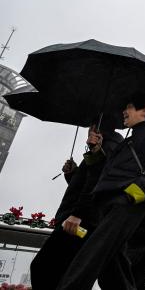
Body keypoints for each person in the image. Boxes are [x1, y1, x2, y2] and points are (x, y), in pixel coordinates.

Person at [56, 93, 145, 290]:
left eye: (129, 107)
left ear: (144, 110)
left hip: (130, 207)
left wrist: (127, 197)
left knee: (91, 256)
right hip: (112, 208)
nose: (124, 112)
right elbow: (105, 175)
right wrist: (94, 152)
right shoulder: (128, 142)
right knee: (112, 273)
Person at [30, 124, 123, 290]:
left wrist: (78, 214)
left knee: (43, 268)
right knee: (63, 274)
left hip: (80, 221)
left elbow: (97, 185)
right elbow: (86, 182)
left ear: (99, 126)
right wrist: (73, 174)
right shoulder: (104, 147)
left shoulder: (108, 147)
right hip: (82, 219)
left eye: (92, 124)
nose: (89, 127)